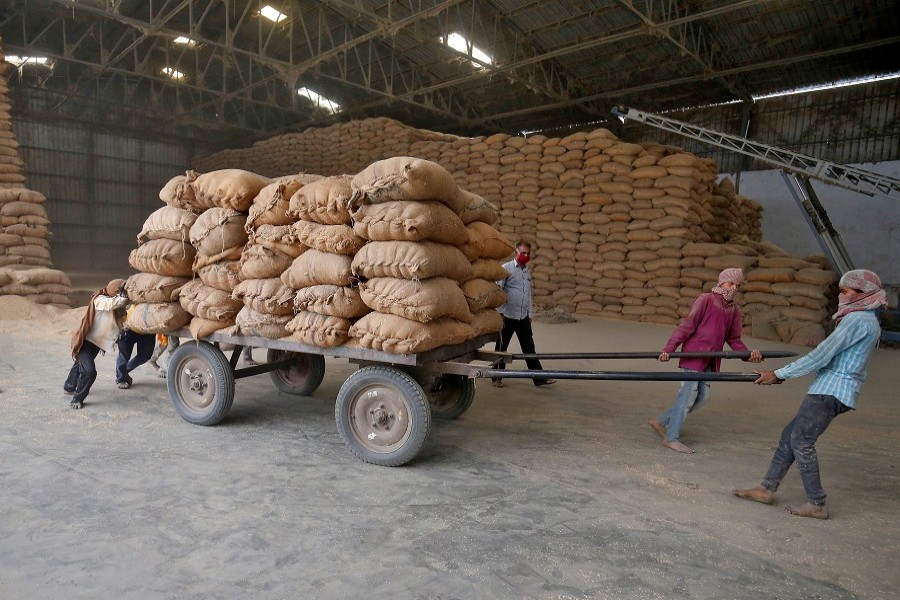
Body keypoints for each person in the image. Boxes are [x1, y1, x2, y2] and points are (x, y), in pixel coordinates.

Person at [732, 269, 886, 520]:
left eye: (845, 292)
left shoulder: (858, 320)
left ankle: (817, 503)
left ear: (862, 294)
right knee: (790, 436)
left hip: (831, 391)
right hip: (833, 389)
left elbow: (821, 355)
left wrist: (779, 373)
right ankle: (766, 488)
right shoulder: (867, 320)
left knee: (801, 440)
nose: (842, 297)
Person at [650, 268, 762, 453]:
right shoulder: (706, 300)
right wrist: (669, 349)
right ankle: (671, 438)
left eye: (737, 285)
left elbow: (734, 339)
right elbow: (686, 326)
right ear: (721, 282)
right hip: (693, 357)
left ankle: (660, 421)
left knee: (702, 397)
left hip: (711, 360)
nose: (733, 288)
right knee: (687, 396)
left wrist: (748, 355)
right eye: (730, 283)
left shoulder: (734, 310)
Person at [492, 240, 555, 388]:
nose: (526, 256)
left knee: (529, 348)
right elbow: (498, 292)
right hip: (507, 316)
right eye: (523, 253)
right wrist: (499, 312)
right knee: (501, 347)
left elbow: (528, 294)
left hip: (522, 317)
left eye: (528, 253)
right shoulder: (506, 268)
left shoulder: (527, 271)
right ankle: (496, 377)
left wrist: (530, 313)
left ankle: (539, 378)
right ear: (516, 253)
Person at [64, 278, 129, 409]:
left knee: (80, 363)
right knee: (89, 371)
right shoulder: (100, 300)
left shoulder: (119, 308)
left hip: (97, 344)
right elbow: (113, 303)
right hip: (85, 342)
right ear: (115, 291)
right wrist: (124, 296)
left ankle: (69, 385)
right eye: (120, 291)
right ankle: (77, 398)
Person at [115, 305, 157, 389]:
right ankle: (121, 379)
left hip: (148, 329)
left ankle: (123, 372)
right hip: (130, 326)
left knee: (145, 356)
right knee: (124, 356)